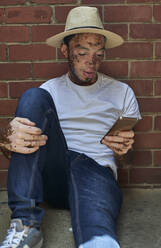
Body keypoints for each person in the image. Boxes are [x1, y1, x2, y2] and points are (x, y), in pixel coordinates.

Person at [0, 6, 141, 248]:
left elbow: (126, 163)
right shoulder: (49, 91)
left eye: (99, 53)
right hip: (56, 176)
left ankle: (98, 240)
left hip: (97, 173)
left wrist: (123, 152)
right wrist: (5, 140)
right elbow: (18, 151)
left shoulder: (122, 92)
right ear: (65, 50)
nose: (91, 61)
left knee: (99, 237)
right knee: (33, 97)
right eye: (83, 52)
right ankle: (25, 224)